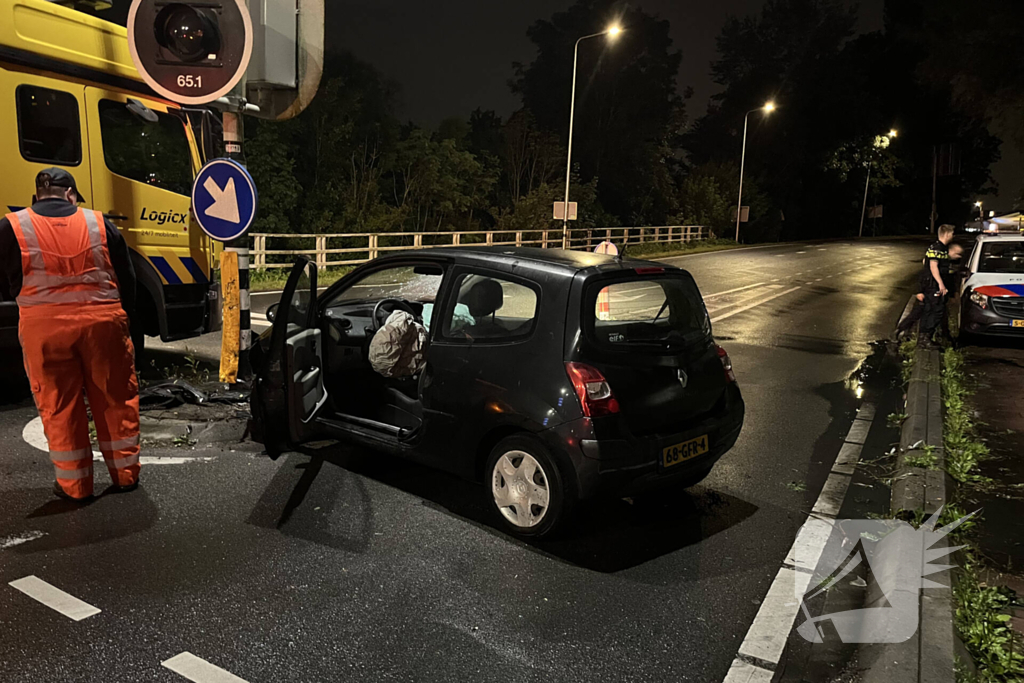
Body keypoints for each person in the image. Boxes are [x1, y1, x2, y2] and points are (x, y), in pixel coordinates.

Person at [0, 169, 140, 501]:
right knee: (115, 398)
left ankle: (75, 487)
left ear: (36, 198)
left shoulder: (12, 226)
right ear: (71, 196)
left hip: (44, 330)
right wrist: (127, 322)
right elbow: (127, 278)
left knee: (60, 406)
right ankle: (125, 476)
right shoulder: (99, 223)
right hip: (103, 326)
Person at [895, 243, 963, 341]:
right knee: (917, 314)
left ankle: (944, 336)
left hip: (939, 293)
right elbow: (924, 276)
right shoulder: (936, 261)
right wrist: (920, 291)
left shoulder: (950, 263)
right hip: (928, 291)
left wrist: (952, 294)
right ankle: (901, 331)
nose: (959, 257)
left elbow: (951, 280)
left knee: (941, 315)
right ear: (950, 251)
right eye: (957, 254)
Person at [918, 224, 958, 347]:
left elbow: (925, 261)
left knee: (930, 310)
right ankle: (926, 337)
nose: (953, 236)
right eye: (952, 233)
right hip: (933, 285)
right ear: (946, 234)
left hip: (931, 284)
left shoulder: (938, 247)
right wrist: (941, 285)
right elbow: (933, 266)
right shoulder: (938, 248)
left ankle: (924, 338)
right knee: (937, 311)